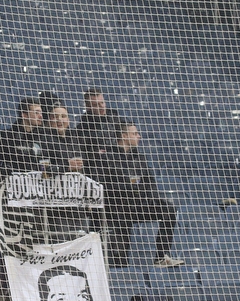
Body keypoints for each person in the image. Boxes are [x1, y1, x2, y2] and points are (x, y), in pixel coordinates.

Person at [89, 122, 184, 268]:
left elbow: (150, 183)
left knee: (168, 209)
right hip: (116, 209)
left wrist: (149, 199)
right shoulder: (106, 158)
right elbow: (101, 185)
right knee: (119, 258)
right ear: (124, 136)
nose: (139, 136)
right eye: (134, 133)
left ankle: (161, 257)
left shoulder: (139, 157)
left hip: (137, 205)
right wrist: (128, 187)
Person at [0, 97, 47, 173]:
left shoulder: (44, 137)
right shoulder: (7, 137)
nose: (41, 116)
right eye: (36, 113)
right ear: (24, 115)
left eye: (41, 113)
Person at [72, 87, 123, 163]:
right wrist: (95, 153)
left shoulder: (115, 119)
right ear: (88, 107)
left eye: (102, 103)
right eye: (96, 105)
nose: (101, 107)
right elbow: (81, 150)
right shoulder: (84, 127)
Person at [43, 104, 85, 173]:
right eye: (55, 117)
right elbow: (44, 170)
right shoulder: (44, 141)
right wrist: (67, 166)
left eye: (63, 116)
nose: (59, 120)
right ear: (49, 121)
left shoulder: (76, 139)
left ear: (68, 120)